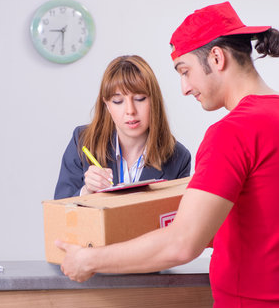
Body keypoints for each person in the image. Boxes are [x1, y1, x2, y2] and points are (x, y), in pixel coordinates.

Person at [55, 2, 279, 308]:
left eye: (184, 70)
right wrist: (257, 240)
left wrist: (89, 261)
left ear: (216, 58)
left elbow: (182, 245)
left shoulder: (231, 132)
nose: (183, 87)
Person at [54, 55, 191, 200]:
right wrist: (86, 192)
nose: (130, 110)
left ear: (154, 100)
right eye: (118, 101)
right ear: (106, 104)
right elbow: (59, 212)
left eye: (140, 99)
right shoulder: (83, 140)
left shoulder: (179, 158)